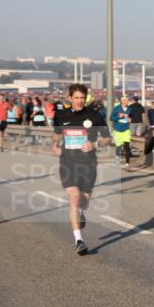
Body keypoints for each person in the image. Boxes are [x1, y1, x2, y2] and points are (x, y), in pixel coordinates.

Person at [52, 84, 110, 255]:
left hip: (89, 164)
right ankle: (79, 240)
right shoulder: (61, 115)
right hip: (68, 162)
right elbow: (56, 134)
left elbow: (107, 138)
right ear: (70, 98)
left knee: (83, 202)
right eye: (76, 97)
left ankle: (81, 212)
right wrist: (55, 144)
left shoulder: (94, 116)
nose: (79, 101)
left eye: (82, 98)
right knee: (75, 197)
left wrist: (95, 143)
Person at [110, 95, 133, 170]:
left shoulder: (130, 109)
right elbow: (111, 118)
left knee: (127, 147)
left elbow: (131, 117)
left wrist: (130, 119)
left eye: (128, 100)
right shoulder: (116, 108)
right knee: (119, 147)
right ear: (122, 101)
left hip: (126, 129)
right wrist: (119, 117)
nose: (127, 102)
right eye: (126, 100)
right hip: (117, 129)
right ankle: (117, 158)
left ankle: (127, 164)